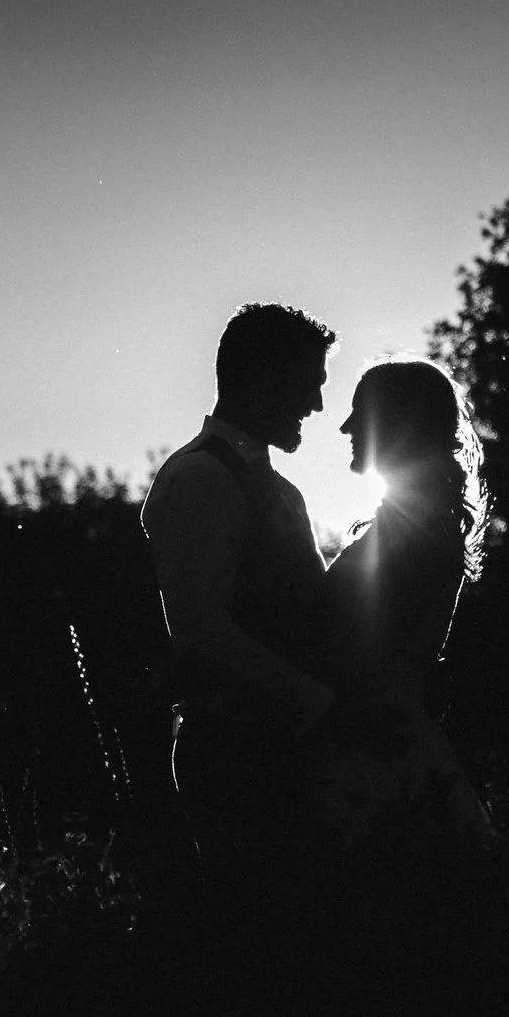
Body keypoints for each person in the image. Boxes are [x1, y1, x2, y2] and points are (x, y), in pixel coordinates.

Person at [141, 303, 409, 854]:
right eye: (308, 384)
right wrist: (326, 708)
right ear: (264, 377)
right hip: (233, 757)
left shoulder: (282, 490)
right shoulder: (200, 479)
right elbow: (200, 632)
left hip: (282, 749)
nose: (315, 404)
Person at [309, 359, 496, 847]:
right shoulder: (420, 524)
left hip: (375, 749)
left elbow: (355, 648)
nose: (347, 427)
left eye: (358, 414)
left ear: (397, 425)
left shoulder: (412, 534)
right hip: (384, 735)